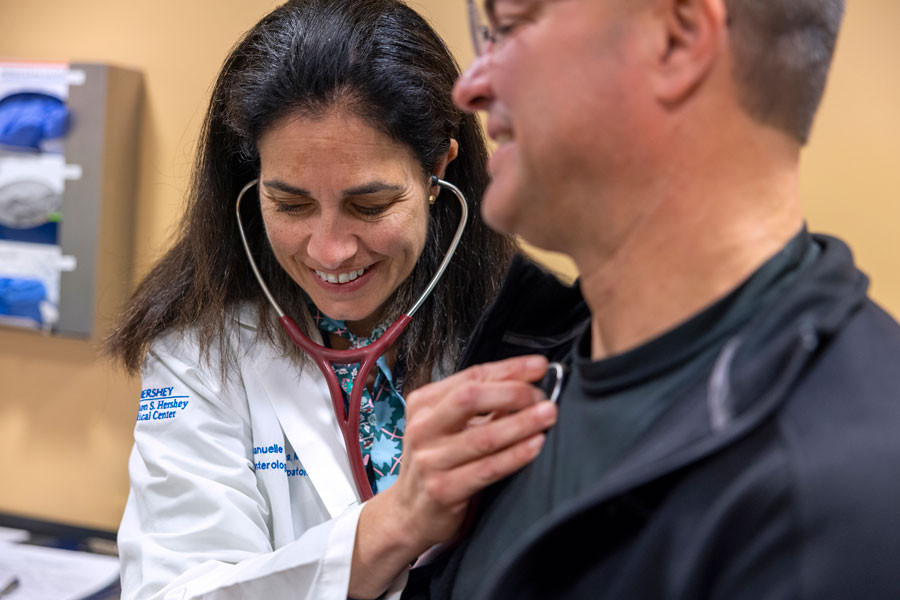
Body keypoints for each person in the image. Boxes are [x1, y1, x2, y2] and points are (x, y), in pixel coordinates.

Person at [398, 0, 900, 598]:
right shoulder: (519, 390)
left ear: (678, 38)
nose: (469, 88)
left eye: (508, 27)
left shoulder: (841, 497)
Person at [103, 1, 557, 598]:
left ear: (437, 170)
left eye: (370, 205)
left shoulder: (532, 337)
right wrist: (396, 525)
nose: (330, 250)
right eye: (290, 205)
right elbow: (173, 589)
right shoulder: (200, 354)